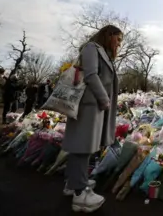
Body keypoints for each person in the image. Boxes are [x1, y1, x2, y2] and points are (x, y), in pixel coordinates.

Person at [63, 24, 122, 213]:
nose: (119, 44)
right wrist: (104, 99)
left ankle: (73, 184)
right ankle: (80, 195)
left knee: (82, 147)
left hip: (93, 104)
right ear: (109, 35)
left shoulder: (101, 51)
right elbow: (91, 75)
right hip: (90, 104)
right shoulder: (91, 48)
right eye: (118, 39)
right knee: (82, 147)